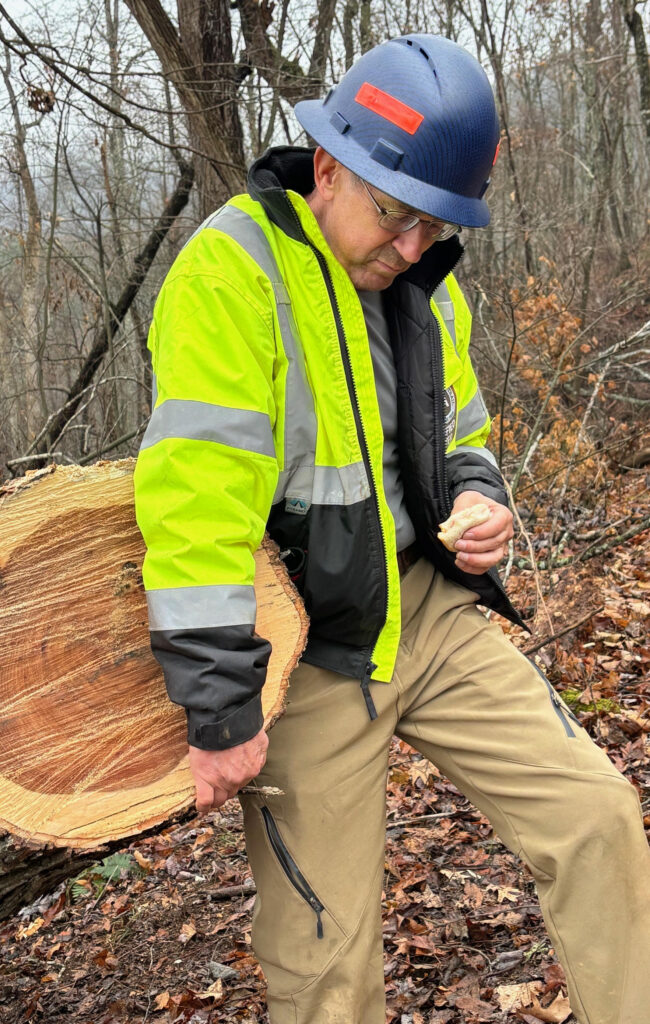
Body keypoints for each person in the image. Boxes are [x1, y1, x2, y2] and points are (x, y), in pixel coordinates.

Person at [134, 33, 650, 1024]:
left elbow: (463, 425)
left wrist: (478, 496)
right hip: (311, 654)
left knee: (596, 818)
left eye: (432, 226)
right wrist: (217, 699)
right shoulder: (229, 275)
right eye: (394, 217)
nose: (411, 246)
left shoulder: (421, 278)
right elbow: (194, 498)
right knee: (326, 968)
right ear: (330, 164)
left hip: (428, 616)